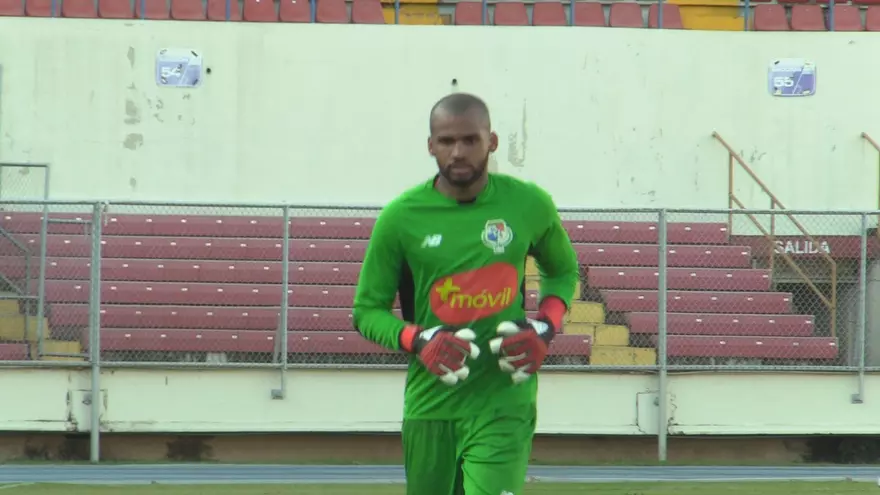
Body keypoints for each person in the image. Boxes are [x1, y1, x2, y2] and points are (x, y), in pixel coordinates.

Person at [352, 92, 580, 495]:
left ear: (491, 141)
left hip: (504, 401)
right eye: (446, 141)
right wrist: (418, 340)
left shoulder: (528, 204)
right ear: (430, 146)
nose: (458, 152)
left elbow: (562, 270)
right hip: (431, 405)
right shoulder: (400, 218)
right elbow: (367, 311)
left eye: (470, 140)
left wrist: (545, 326)